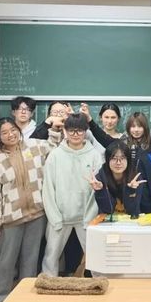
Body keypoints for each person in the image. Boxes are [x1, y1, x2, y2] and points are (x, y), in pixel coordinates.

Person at [0, 117, 62, 302]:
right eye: (4, 132)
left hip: (36, 214)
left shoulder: (34, 146)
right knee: (6, 259)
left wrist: (55, 129)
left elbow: (53, 147)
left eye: (13, 129)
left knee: (30, 258)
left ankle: (25, 297)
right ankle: (0, 296)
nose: (10, 134)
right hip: (11, 217)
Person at [41, 114, 103, 277]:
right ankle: (47, 286)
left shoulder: (94, 155)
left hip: (86, 217)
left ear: (86, 131)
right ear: (65, 131)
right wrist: (54, 217)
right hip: (60, 216)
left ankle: (102, 286)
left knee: (96, 256)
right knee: (51, 256)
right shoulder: (55, 155)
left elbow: (98, 188)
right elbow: (48, 188)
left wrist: (90, 216)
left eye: (80, 130)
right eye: (71, 130)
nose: (76, 134)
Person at [83, 104, 150, 169]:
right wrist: (90, 120)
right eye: (133, 126)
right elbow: (104, 139)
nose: (136, 130)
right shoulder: (124, 143)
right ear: (129, 128)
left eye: (140, 126)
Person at [93, 141, 146, 216]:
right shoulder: (100, 178)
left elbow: (132, 211)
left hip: (130, 221)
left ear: (128, 160)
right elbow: (107, 210)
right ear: (107, 160)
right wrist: (100, 191)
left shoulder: (135, 178)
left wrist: (131, 191)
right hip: (107, 221)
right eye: (114, 158)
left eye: (122, 158)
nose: (118, 163)